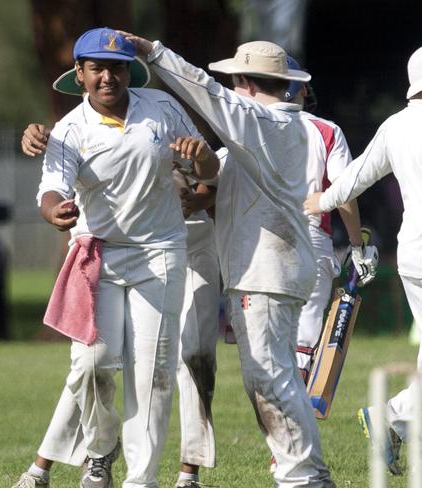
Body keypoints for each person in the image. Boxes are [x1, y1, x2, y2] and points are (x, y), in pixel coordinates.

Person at [122, 33, 342, 486]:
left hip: (266, 270)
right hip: (279, 266)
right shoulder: (283, 126)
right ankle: (307, 475)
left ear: (246, 82)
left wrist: (154, 51)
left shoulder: (263, 122)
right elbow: (222, 185)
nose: (233, 89)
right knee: (278, 375)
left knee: (268, 379)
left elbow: (204, 90)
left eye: (236, 82)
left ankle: (301, 477)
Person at [11, 27, 219, 488]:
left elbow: (209, 171)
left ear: (130, 71)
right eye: (97, 68)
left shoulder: (161, 108)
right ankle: (100, 451)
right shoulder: (70, 129)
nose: (108, 77)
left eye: (118, 67)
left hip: (160, 252)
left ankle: (139, 480)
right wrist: (55, 212)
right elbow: (51, 190)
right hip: (97, 256)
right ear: (80, 74)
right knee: (92, 362)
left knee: (154, 373)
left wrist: (200, 157)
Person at [304, 45, 422, 477]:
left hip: (413, 253)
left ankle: (394, 420)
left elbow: (353, 178)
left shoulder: (395, 126)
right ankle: (391, 416)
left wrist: (321, 200)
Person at [282, 55, 372, 383]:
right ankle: (291, 427)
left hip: (257, 243)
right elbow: (343, 191)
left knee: (268, 348)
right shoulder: (326, 130)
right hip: (309, 240)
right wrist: (355, 245)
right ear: (301, 89)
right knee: (302, 343)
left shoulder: (248, 125)